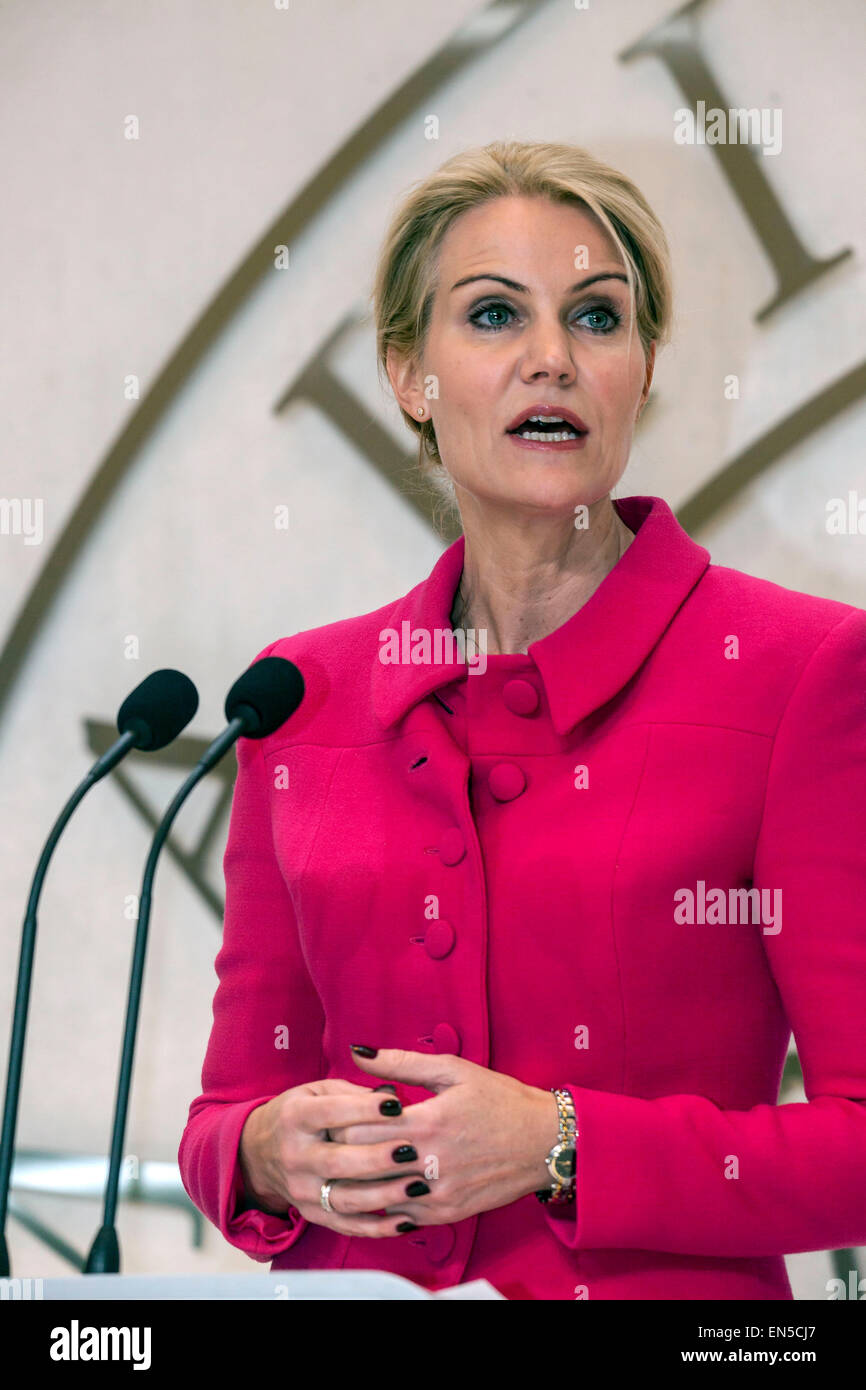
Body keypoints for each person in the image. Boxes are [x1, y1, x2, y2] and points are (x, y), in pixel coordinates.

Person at [178, 139, 866, 1300]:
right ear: (408, 375)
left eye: (596, 319)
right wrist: (259, 1150)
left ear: (641, 370)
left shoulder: (800, 672)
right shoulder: (298, 700)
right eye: (493, 315)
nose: (550, 358)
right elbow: (225, 1116)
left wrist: (559, 1143)